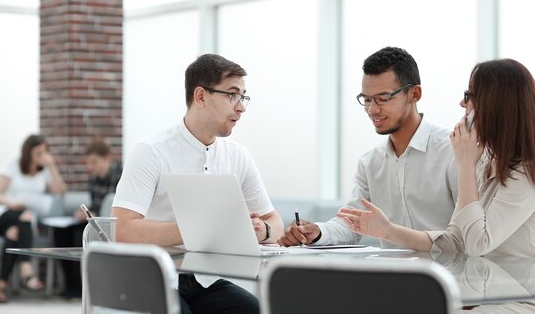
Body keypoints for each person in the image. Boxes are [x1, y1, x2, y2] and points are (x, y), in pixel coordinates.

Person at [338, 58, 535, 259]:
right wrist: (387, 230)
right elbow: (455, 240)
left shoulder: (529, 174)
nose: (462, 104)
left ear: (496, 105)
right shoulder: (486, 164)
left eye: (469, 96)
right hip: (487, 298)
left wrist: (465, 164)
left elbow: (477, 244)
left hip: (524, 302)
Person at [112, 54, 284, 314]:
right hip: (154, 278)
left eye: (243, 97)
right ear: (201, 96)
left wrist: (262, 230)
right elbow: (123, 231)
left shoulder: (238, 156)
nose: (241, 107)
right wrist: (201, 230)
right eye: (232, 95)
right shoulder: (150, 151)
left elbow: (275, 222)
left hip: (206, 281)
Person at [277, 47, 457, 248]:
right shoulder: (371, 162)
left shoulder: (453, 151)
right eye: (367, 99)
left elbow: (467, 235)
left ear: (414, 94)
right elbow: (352, 222)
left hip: (451, 276)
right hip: (392, 276)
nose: (372, 109)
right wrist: (317, 232)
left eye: (383, 98)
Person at [0, 134, 66, 303]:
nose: (41, 157)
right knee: (24, 217)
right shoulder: (13, 163)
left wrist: (52, 166)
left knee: (13, 234)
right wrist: (13, 204)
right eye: (38, 153)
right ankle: (26, 271)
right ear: (28, 152)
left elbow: (60, 191)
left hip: (19, 222)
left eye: (44, 153)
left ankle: (1, 288)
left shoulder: (44, 172)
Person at [53, 140, 123, 298]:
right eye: (88, 163)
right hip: (94, 220)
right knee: (61, 233)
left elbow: (114, 207)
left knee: (81, 235)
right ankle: (71, 285)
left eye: (94, 162)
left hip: (110, 224)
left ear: (107, 158)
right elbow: (95, 205)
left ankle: (82, 286)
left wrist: (94, 214)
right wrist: (84, 213)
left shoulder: (121, 176)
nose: (90, 167)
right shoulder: (93, 180)